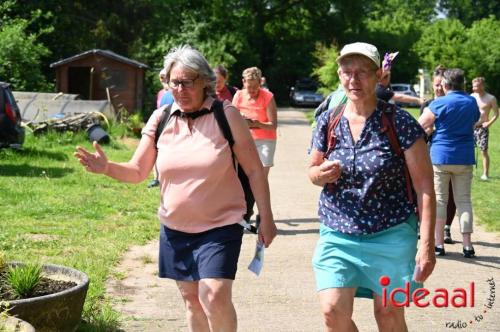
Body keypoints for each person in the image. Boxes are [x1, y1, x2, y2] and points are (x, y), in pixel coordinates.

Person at [74, 45, 277, 331]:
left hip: (221, 224)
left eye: (187, 81)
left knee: (214, 295)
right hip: (176, 227)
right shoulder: (161, 118)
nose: (180, 89)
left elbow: (255, 169)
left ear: (205, 81)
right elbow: (137, 171)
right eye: (174, 82)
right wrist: (107, 168)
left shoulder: (226, 115)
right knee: (192, 300)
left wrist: (266, 216)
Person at [309, 42, 436, 331]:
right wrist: (321, 174)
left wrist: (426, 246)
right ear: (340, 75)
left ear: (378, 75)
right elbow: (312, 171)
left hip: (391, 233)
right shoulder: (329, 120)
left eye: (363, 72)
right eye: (347, 72)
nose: (354, 80)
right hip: (338, 232)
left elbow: (425, 187)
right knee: (332, 312)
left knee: (389, 314)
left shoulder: (400, 123)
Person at [419, 68, 480, 258]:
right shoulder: (472, 102)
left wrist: (434, 129)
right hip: (464, 157)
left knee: (440, 201)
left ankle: (438, 244)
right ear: (463, 84)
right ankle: (467, 246)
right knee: (464, 201)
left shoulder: (440, 103)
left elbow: (421, 123)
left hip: (441, 156)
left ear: (445, 85)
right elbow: (476, 120)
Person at [420, 65, 456, 244]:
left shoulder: (454, 103)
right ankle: (426, 225)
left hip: (448, 153)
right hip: (428, 151)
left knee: (449, 192)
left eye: (442, 85)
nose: (439, 88)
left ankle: (446, 229)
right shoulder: (427, 105)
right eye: (436, 85)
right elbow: (420, 131)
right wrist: (430, 131)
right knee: (428, 190)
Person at [232, 67, 278, 180]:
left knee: (261, 177)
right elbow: (231, 117)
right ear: (243, 82)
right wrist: (240, 119)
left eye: (255, 87)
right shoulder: (238, 95)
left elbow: (273, 125)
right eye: (249, 87)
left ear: (260, 83)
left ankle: (260, 197)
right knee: (243, 175)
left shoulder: (268, 96)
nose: (252, 90)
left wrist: (257, 124)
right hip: (244, 139)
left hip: (265, 141)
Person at [471, 77, 498, 181]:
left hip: (483, 128)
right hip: (472, 127)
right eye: (473, 85)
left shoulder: (491, 98)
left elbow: (496, 114)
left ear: (482, 86)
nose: (473, 88)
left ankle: (485, 174)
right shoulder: (472, 97)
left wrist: (489, 123)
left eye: (476, 86)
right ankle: (470, 172)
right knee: (470, 150)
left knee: (483, 151)